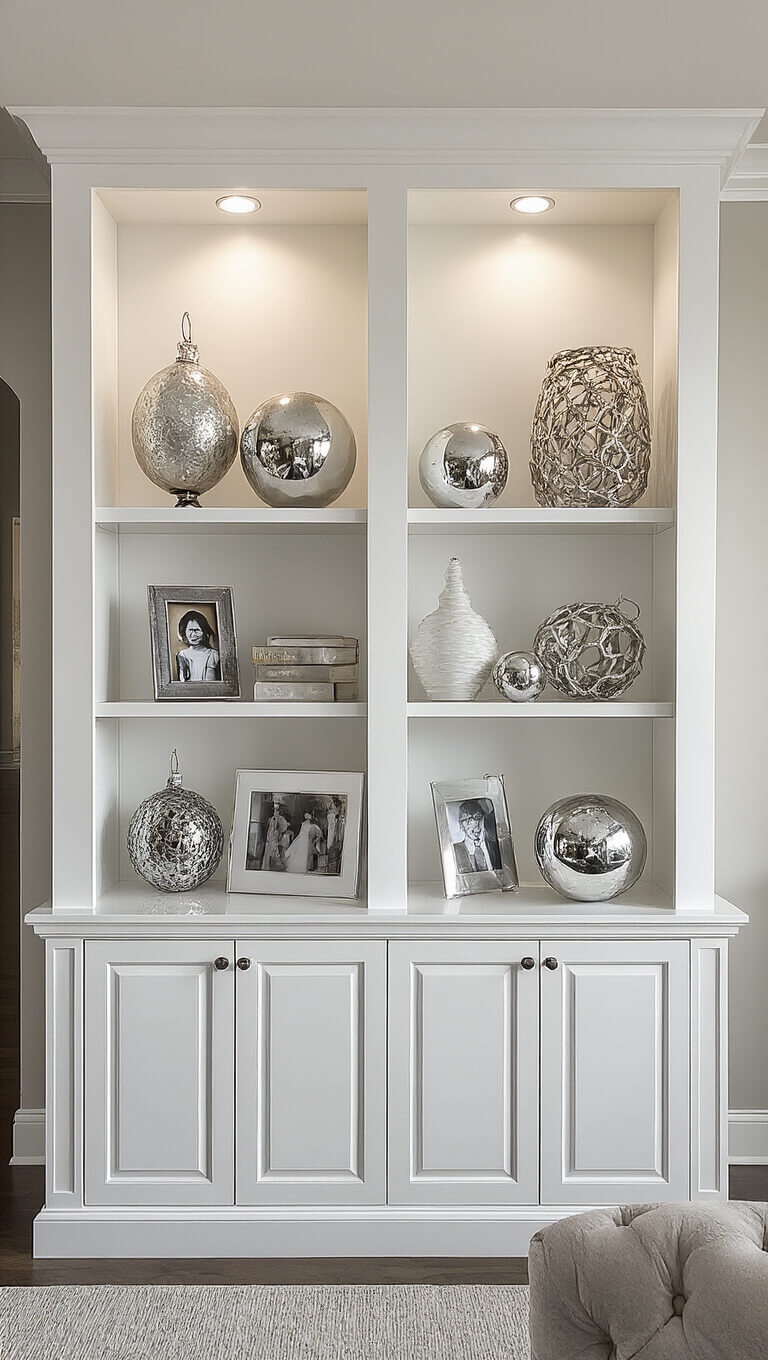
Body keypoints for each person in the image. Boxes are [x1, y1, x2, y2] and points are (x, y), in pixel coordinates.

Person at [452, 798, 502, 874]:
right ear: (461, 825)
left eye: (479, 818)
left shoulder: (496, 846)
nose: (475, 824)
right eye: (467, 820)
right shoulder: (454, 851)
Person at [176, 610, 220, 682]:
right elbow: (182, 680)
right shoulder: (182, 655)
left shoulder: (212, 654)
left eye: (197, 630)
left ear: (204, 632)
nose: (193, 635)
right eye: (190, 630)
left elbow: (211, 682)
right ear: (184, 632)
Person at [263, 799, 290, 871]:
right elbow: (268, 829)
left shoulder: (281, 819)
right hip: (270, 838)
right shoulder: (271, 819)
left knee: (275, 851)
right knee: (269, 852)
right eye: (274, 810)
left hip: (276, 838)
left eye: (277, 810)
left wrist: (279, 833)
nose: (275, 812)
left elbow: (283, 828)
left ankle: (276, 866)